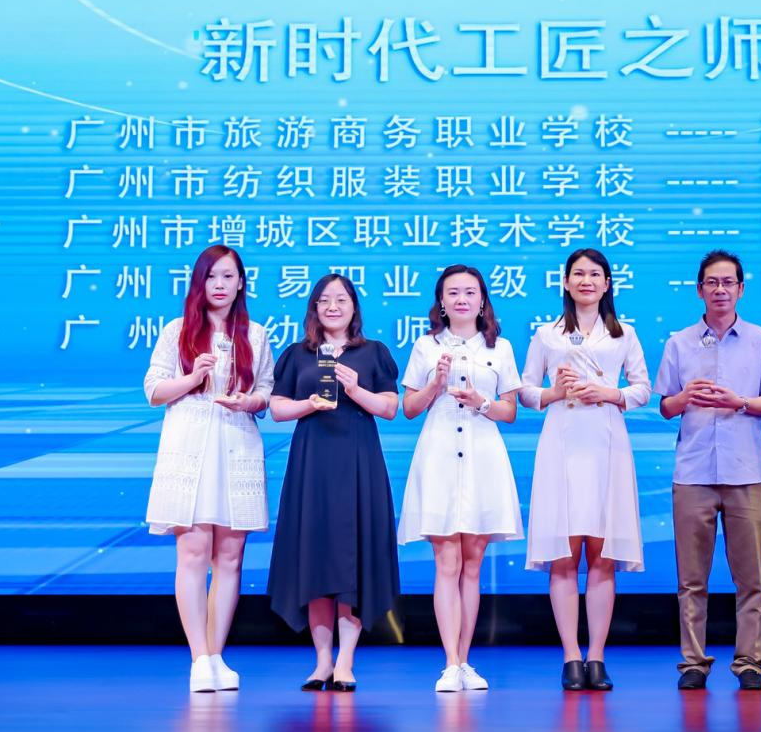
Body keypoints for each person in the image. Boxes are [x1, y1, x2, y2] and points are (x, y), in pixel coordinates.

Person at [653, 250, 761, 691]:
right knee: (691, 580)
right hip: (693, 473)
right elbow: (665, 406)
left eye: (728, 282)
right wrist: (685, 397)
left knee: (750, 578)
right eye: (711, 282)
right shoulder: (679, 343)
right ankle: (693, 662)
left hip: (744, 473)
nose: (720, 290)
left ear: (741, 289)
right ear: (699, 290)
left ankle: (750, 662)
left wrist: (740, 402)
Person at [144, 245, 275, 692]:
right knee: (194, 552)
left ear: (241, 284)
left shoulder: (256, 335)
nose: (220, 285)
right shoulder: (177, 331)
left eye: (228, 277)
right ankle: (199, 658)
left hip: (237, 445)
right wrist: (192, 378)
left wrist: (249, 401)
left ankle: (217, 656)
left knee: (231, 557)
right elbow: (154, 391)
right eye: (212, 276)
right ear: (199, 283)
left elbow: (266, 392)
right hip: (190, 447)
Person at [518, 249, 650, 691]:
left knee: (602, 554)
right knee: (564, 554)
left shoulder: (624, 334)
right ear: (566, 282)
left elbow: (643, 389)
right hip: (562, 443)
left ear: (608, 283)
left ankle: (597, 656)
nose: (587, 281)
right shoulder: (547, 334)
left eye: (595, 274)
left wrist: (609, 393)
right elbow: (526, 391)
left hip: (606, 444)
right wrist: (555, 393)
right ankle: (571, 657)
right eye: (578, 274)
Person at [266, 274, 401, 692]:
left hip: (358, 461)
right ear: (314, 308)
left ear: (353, 307)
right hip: (312, 464)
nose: (333, 307)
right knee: (315, 559)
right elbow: (276, 409)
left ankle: (346, 661)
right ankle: (322, 661)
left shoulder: (373, 352)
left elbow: (390, 407)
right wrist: (308, 403)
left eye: (341, 300)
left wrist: (355, 390)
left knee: (352, 559)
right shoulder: (297, 354)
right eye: (324, 300)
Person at [398, 265, 523, 692]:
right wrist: (435, 383)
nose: (462, 299)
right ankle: (450, 663)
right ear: (441, 301)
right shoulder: (426, 345)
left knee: (473, 563)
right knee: (446, 561)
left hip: (483, 456)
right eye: (453, 292)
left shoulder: (500, 347)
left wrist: (481, 402)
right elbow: (409, 408)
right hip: (438, 457)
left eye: (470, 291)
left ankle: (465, 660)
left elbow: (510, 411)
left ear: (483, 300)